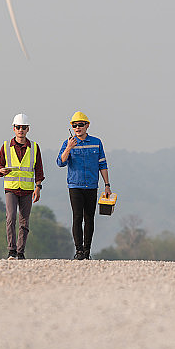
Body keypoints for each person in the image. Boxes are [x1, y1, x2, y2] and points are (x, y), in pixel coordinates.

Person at [57, 111, 111, 260]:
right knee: (77, 217)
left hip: (92, 186)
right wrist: (68, 147)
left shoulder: (96, 142)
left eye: (80, 125)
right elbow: (60, 162)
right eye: (75, 125)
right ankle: (79, 251)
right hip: (75, 185)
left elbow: (103, 165)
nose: (78, 127)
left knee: (89, 218)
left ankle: (87, 251)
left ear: (87, 125)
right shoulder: (67, 143)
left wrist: (107, 185)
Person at [0, 113, 44, 260]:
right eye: (18, 127)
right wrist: (1, 171)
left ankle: (20, 252)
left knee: (24, 220)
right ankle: (11, 250)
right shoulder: (5, 146)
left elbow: (39, 170)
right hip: (11, 188)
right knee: (10, 218)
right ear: (14, 128)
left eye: (23, 127)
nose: (21, 130)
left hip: (27, 190)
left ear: (28, 129)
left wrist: (38, 187)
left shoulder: (34, 148)